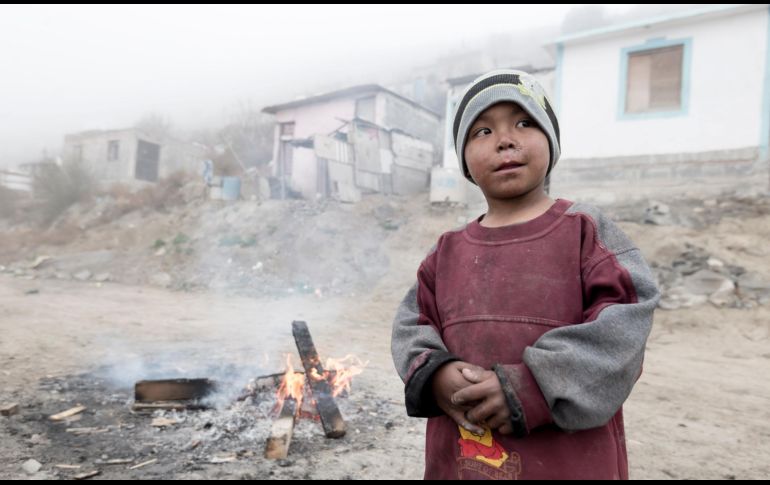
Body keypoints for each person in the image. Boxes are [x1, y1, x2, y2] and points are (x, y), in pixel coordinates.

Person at [391, 69, 660, 480]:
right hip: (464, 461)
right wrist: (436, 375)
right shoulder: (446, 253)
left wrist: (533, 386)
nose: (505, 140)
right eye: (481, 131)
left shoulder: (585, 232)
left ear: (551, 143)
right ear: (463, 160)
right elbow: (413, 324)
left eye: (524, 122)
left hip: (567, 463)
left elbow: (624, 326)